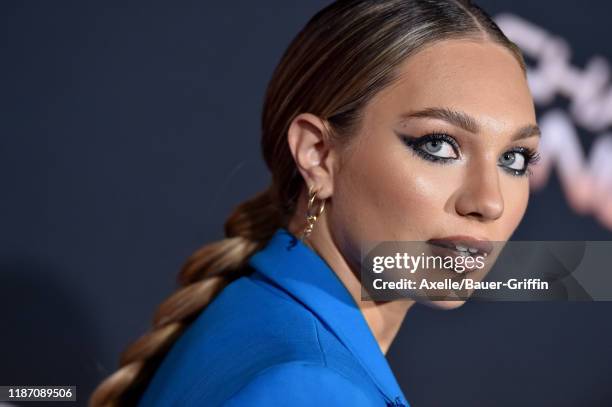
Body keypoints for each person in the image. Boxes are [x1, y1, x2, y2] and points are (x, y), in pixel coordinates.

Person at [90, 0, 541, 405]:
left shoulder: (251, 307)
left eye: (515, 158)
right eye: (439, 145)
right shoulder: (311, 389)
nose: (489, 201)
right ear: (318, 155)